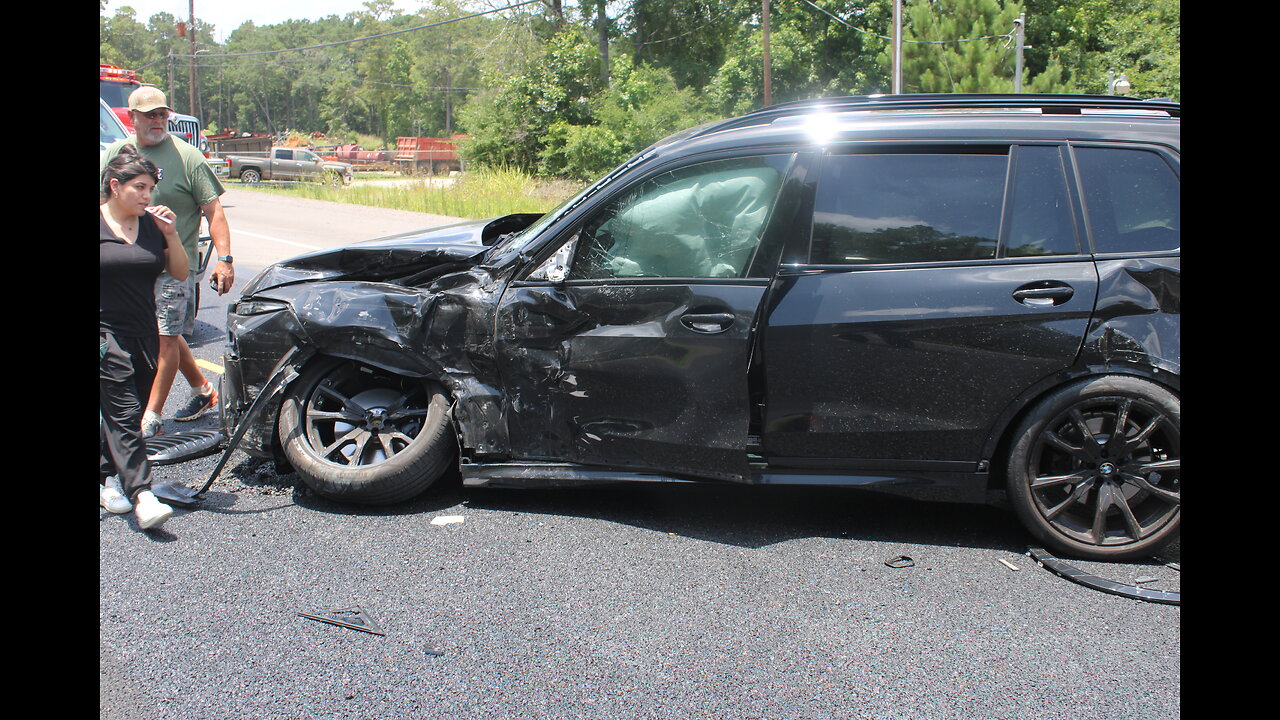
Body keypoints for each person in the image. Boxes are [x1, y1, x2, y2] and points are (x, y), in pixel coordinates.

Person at [100, 85, 234, 439]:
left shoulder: (188, 157)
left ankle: (151, 415)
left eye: (162, 114)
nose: (158, 121)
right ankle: (203, 389)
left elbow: (214, 211)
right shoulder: (116, 154)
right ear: (133, 118)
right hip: (128, 263)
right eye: (150, 115)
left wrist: (225, 259)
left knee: (165, 336)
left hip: (175, 262)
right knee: (157, 332)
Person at [101, 145, 190, 529]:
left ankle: (106, 480)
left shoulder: (152, 225)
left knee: (127, 412)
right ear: (115, 185)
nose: (147, 196)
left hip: (143, 333)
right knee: (123, 414)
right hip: (106, 335)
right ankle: (143, 495)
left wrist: (171, 234)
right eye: (139, 187)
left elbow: (181, 272)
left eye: (151, 189)